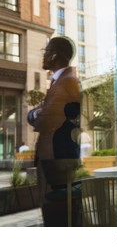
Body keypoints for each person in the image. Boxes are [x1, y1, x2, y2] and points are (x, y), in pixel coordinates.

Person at [27, 36, 80, 226]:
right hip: (54, 162)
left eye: (46, 51)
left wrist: (34, 114)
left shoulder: (66, 82)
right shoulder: (60, 82)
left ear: (55, 54)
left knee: (56, 218)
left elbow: (44, 119)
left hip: (56, 164)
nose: (44, 56)